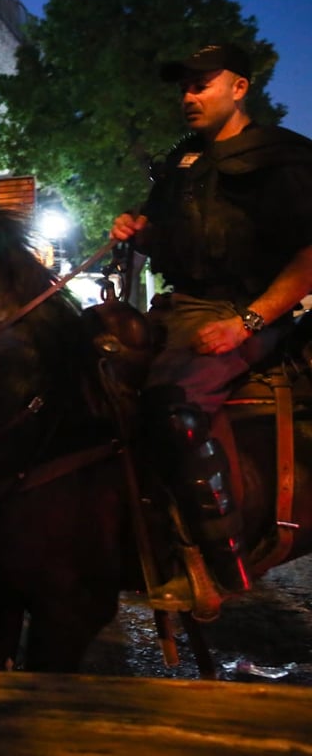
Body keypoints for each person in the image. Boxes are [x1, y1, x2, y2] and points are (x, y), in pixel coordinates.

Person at [110, 42, 312, 602]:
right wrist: (139, 232)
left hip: (250, 312)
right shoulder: (181, 161)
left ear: (240, 87)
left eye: (202, 84)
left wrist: (246, 324)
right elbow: (171, 243)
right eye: (184, 87)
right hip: (180, 309)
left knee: (174, 401)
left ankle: (219, 565)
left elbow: (309, 255)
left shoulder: (283, 158)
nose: (189, 96)